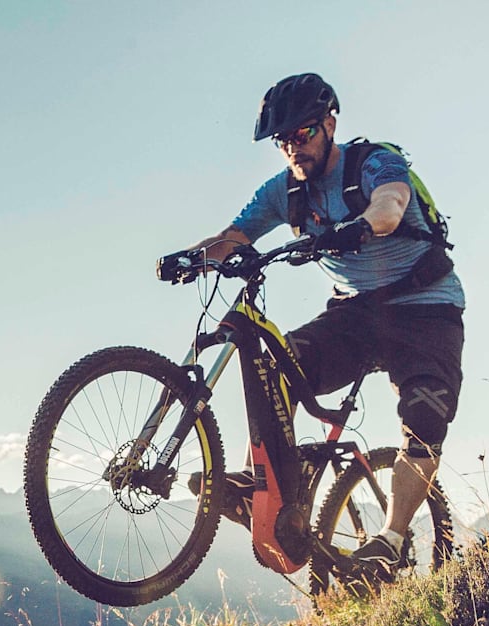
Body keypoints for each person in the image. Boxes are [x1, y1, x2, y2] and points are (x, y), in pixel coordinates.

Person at [182, 73, 464, 582]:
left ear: (330, 124)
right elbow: (233, 236)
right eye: (284, 140)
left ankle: (393, 538)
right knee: (276, 367)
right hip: (355, 314)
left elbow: (391, 205)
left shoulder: (371, 162)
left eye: (304, 133)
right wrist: (188, 259)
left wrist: (359, 226)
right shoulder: (284, 192)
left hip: (425, 307)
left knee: (424, 418)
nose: (294, 147)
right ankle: (264, 485)